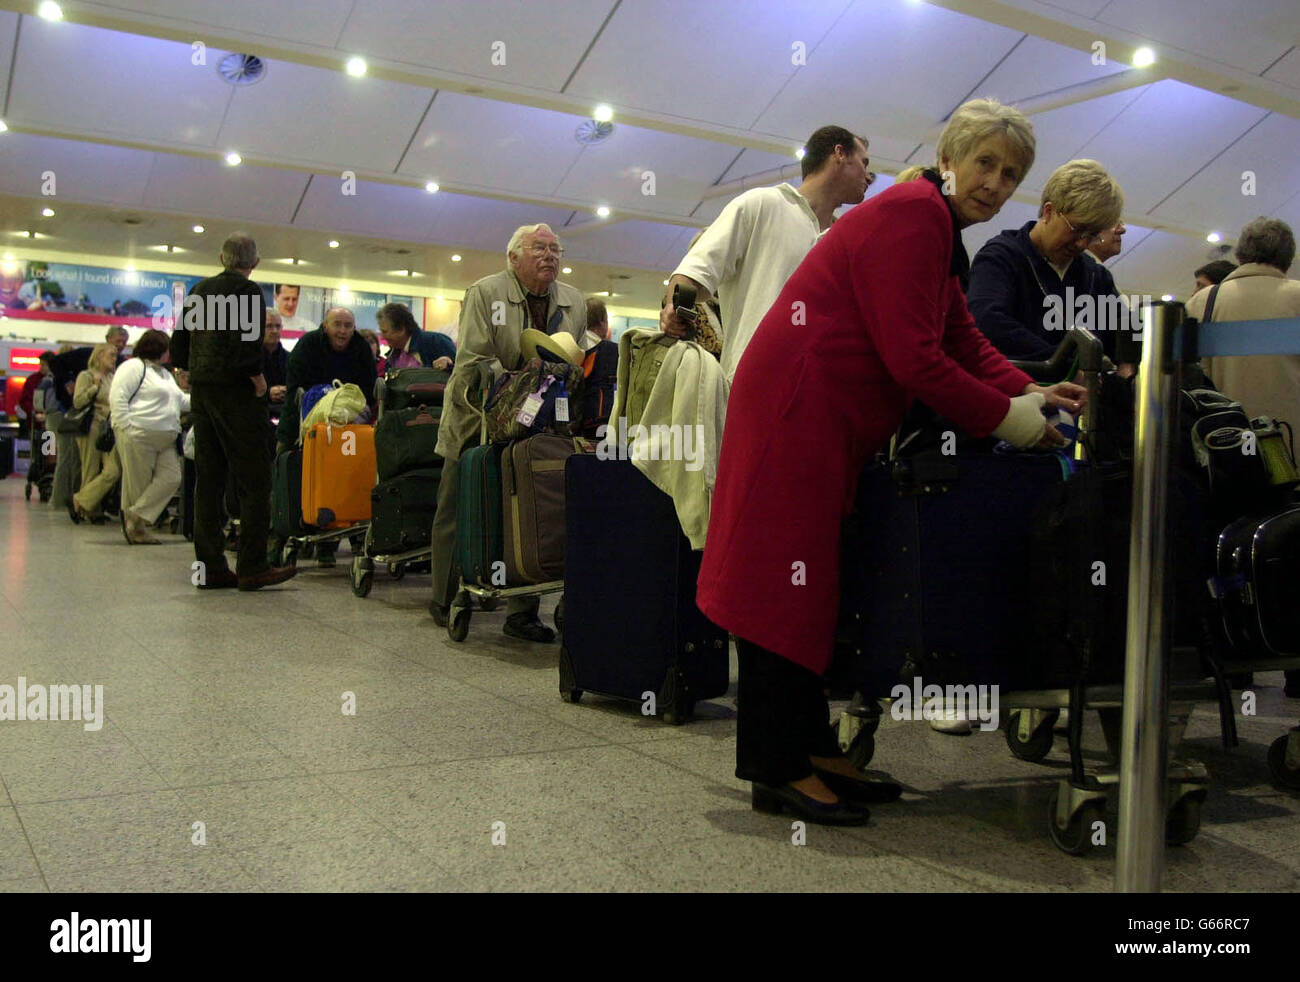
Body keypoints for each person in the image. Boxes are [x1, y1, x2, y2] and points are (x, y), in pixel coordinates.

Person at [696, 98, 1087, 826]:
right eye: (985, 164)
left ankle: (811, 748)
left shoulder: (936, 228)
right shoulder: (917, 216)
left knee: (808, 588)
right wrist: (1013, 421)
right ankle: (777, 768)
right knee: (782, 588)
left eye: (1012, 174)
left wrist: (1028, 387)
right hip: (798, 411)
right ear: (951, 159)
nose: (997, 184)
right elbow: (915, 359)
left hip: (819, 418)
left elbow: (961, 339)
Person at [430, 223, 585, 642]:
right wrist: (522, 384)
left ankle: (522, 612)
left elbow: (576, 360)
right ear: (514, 257)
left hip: (541, 422)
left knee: (529, 508)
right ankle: (445, 597)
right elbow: (475, 361)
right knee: (455, 504)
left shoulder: (572, 300)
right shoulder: (486, 293)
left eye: (556, 248)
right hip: (475, 415)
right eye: (540, 248)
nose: (550, 255)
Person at [662, 125, 875, 382]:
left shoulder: (847, 238)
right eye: (864, 163)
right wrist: (675, 306)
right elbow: (696, 269)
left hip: (821, 391)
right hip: (753, 384)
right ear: (839, 153)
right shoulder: (760, 204)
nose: (869, 176)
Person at [170, 232, 297, 591]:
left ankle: (210, 565)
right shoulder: (245, 292)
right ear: (254, 263)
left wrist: (185, 369)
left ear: (220, 258)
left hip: (203, 394)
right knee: (255, 478)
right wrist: (257, 378)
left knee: (208, 479)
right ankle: (253, 565)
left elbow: (180, 342)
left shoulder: (199, 291)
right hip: (236, 394)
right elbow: (244, 343)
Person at [967, 159, 1127, 362]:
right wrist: (1063, 364)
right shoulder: (1000, 259)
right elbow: (987, 323)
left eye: (1092, 235)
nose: (1081, 243)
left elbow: (1124, 330)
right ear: (1048, 211)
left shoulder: (1096, 276)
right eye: (1077, 230)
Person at [275, 306, 376, 567]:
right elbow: (296, 386)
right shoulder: (308, 344)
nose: (343, 331)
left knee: (340, 482)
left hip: (346, 427)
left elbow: (369, 388)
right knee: (287, 479)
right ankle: (278, 541)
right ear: (325, 326)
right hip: (300, 422)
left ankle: (329, 545)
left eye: (348, 325)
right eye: (337, 324)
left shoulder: (361, 348)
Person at [111, 329, 189, 545]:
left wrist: (203, 400)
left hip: (164, 438)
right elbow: (118, 398)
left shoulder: (164, 373)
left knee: (172, 477)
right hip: (138, 434)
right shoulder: (132, 367)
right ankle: (136, 530)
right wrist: (127, 428)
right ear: (159, 348)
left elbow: (180, 401)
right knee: (137, 485)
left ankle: (134, 517)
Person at [68, 344, 120, 524]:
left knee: (112, 471)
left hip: (109, 428)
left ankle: (81, 501)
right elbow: (78, 401)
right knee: (90, 469)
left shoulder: (113, 378)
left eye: (115, 356)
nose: (114, 359)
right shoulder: (87, 376)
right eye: (111, 355)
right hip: (92, 426)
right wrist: (94, 387)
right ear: (99, 357)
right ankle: (90, 510)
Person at [376, 302, 455, 372]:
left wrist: (449, 365)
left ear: (401, 330)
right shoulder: (393, 355)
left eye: (385, 332)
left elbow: (462, 370)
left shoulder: (436, 342)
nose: (382, 337)